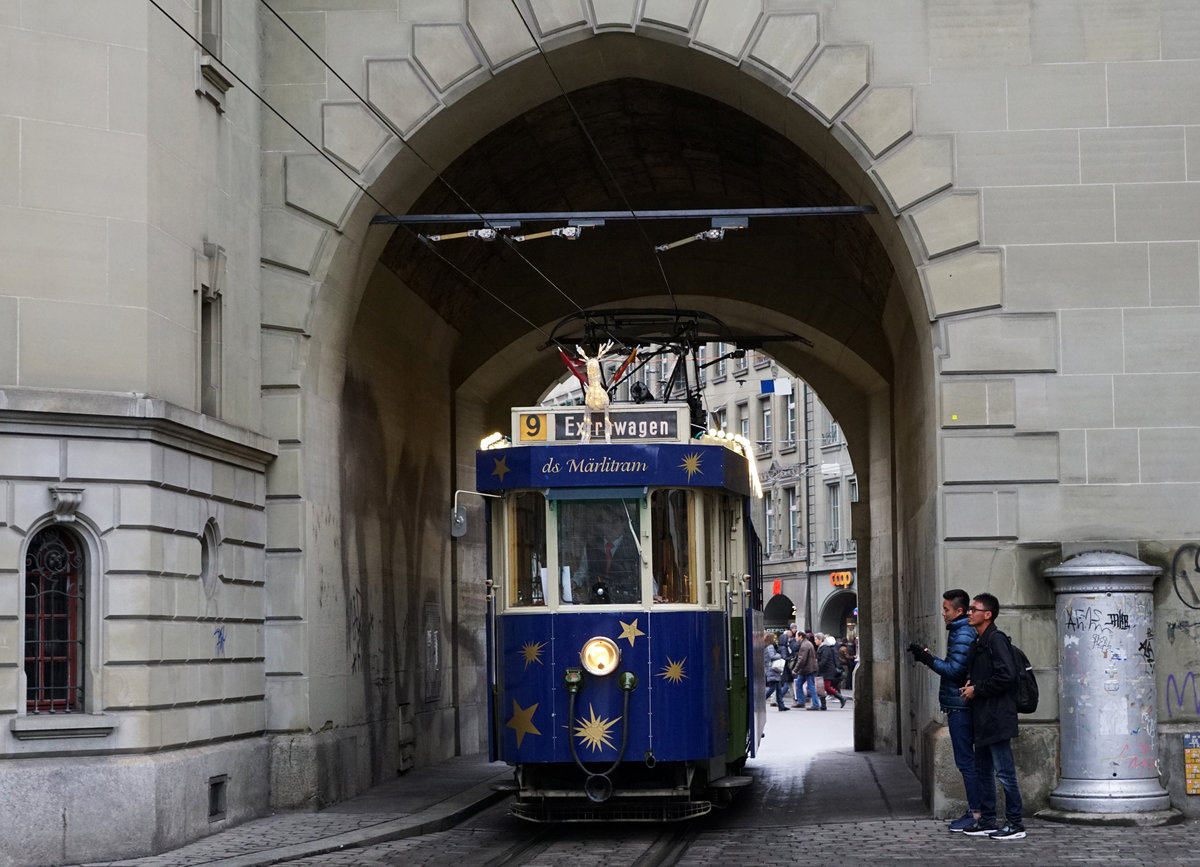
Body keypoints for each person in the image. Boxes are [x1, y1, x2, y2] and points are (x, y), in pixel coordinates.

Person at [907, 589, 982, 833]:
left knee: (966, 761)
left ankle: (976, 813)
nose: (943, 612)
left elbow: (954, 671)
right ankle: (978, 810)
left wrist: (928, 660)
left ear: (959, 611)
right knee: (969, 761)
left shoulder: (962, 632)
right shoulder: (961, 631)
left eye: (946, 608)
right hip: (959, 704)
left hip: (961, 706)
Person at [959, 592, 1025, 840]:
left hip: (997, 717)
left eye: (974, 609)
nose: (969, 613)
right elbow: (983, 673)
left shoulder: (996, 639)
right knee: (983, 771)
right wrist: (970, 683)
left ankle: (1016, 823)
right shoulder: (978, 641)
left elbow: (1007, 675)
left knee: (1005, 773)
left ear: (987, 614)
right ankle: (987, 820)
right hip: (983, 717)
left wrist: (977, 689)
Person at [576, 502, 641, 604]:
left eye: (615, 521)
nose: (610, 526)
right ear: (600, 525)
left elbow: (645, 575)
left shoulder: (635, 548)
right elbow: (581, 573)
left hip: (626, 604)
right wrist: (572, 583)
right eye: (606, 522)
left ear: (623, 523)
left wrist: (652, 595)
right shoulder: (591, 547)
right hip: (595, 603)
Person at [790, 630, 820, 710]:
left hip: (808, 669)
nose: (795, 638)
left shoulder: (804, 646)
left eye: (796, 636)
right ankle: (801, 702)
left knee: (810, 686)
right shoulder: (807, 643)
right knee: (799, 684)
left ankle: (815, 704)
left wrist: (795, 669)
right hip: (807, 669)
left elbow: (802, 659)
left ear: (800, 636)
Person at [816, 634, 846, 709]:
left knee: (826, 686)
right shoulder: (822, 648)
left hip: (827, 671)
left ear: (820, 640)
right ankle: (823, 705)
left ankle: (841, 697)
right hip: (823, 671)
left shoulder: (826, 648)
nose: (815, 641)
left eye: (816, 639)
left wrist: (817, 666)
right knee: (821, 687)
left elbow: (824, 660)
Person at [763, 632, 790, 711]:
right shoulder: (770, 647)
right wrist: (779, 655)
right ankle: (760, 701)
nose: (775, 639)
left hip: (771, 669)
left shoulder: (766, 647)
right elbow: (772, 656)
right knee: (772, 688)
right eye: (774, 638)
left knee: (778, 689)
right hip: (773, 670)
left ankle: (781, 706)